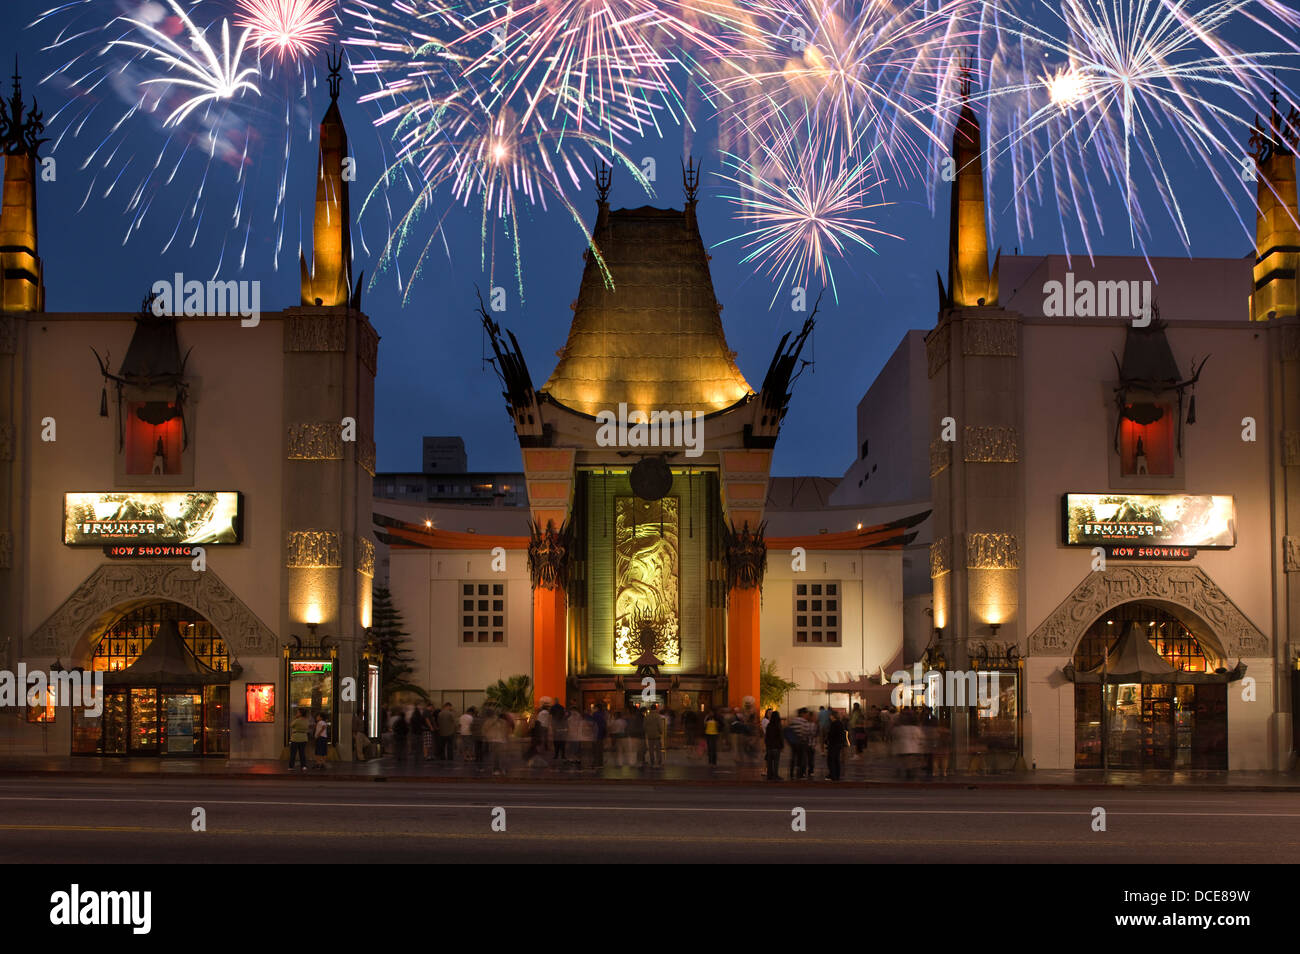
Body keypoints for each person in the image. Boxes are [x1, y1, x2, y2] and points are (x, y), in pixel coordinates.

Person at [825, 708, 848, 781]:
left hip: (833, 744)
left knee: (831, 760)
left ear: (832, 716)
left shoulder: (834, 724)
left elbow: (831, 735)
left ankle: (833, 775)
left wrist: (826, 741)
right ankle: (836, 775)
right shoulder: (840, 723)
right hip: (839, 744)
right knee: (836, 760)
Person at [764, 709, 784, 780]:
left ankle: (769, 775)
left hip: (769, 747)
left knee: (769, 762)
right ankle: (775, 775)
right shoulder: (778, 726)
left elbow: (766, 737)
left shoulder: (769, 725)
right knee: (776, 762)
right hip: (776, 747)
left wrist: (767, 745)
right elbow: (781, 737)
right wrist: (782, 746)